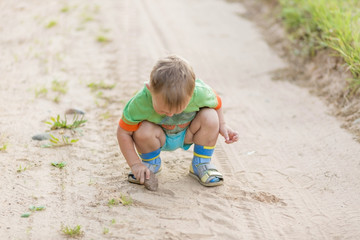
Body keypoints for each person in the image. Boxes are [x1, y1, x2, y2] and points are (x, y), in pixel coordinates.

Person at [117, 55, 238, 187]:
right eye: (163, 110)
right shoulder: (140, 102)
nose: (170, 114)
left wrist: (223, 125)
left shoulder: (200, 93)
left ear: (192, 93)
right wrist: (135, 164)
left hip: (188, 133)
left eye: (178, 109)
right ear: (150, 89)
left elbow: (216, 103)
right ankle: (150, 164)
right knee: (142, 129)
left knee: (210, 116)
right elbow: (123, 132)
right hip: (158, 137)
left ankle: (201, 163)